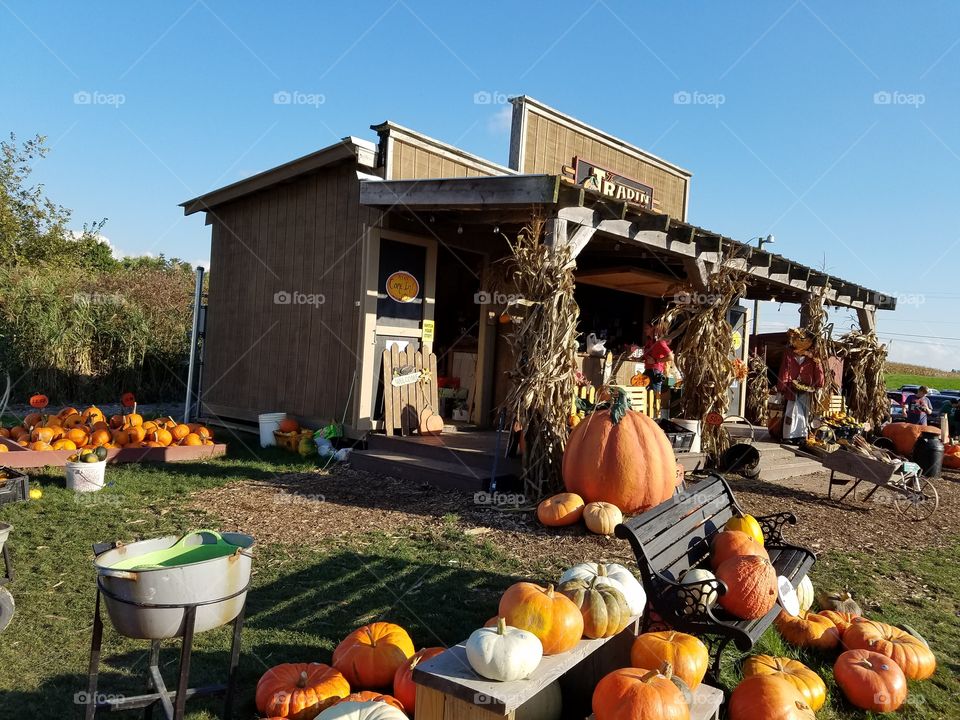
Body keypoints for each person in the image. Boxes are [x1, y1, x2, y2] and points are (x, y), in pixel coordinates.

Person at [777, 328, 825, 444]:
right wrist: (782, 387)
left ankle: (801, 436)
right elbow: (785, 370)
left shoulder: (813, 357)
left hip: (807, 389)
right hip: (791, 388)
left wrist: (819, 386)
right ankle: (788, 435)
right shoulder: (789, 355)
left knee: (804, 412)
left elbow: (819, 371)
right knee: (791, 411)